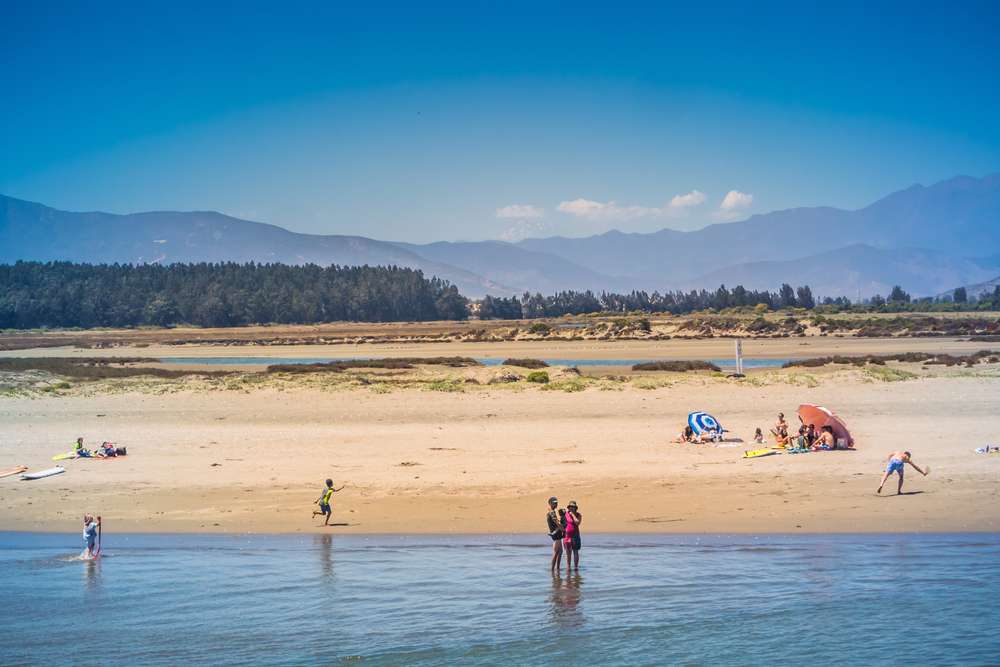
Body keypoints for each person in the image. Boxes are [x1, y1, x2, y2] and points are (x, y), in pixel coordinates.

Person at [546, 496, 564, 573]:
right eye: (554, 503)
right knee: (556, 552)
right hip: (556, 534)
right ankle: (552, 570)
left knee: (560, 551)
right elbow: (556, 522)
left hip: (557, 533)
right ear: (550, 503)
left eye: (556, 503)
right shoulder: (551, 512)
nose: (556, 504)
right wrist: (563, 529)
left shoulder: (552, 511)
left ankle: (557, 569)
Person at [563, 501, 582, 570]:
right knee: (568, 552)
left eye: (573, 507)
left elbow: (577, 523)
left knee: (575, 551)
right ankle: (568, 567)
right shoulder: (566, 514)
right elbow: (562, 522)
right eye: (570, 507)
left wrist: (573, 515)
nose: (571, 508)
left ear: (575, 508)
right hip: (567, 536)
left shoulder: (578, 515)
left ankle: (576, 567)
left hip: (575, 535)